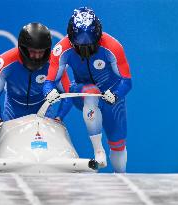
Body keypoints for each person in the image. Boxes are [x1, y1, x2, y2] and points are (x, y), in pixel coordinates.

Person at [43, 7, 132, 173]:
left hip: (111, 97)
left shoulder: (113, 47)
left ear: (99, 38)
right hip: (82, 91)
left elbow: (126, 81)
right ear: (71, 40)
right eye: (79, 47)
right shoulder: (61, 50)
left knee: (118, 143)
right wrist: (50, 92)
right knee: (91, 93)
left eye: (91, 47)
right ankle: (98, 150)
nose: (85, 51)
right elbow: (49, 82)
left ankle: (122, 177)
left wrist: (116, 94)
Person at [0, 23, 71, 135]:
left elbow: (68, 94)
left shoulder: (55, 64)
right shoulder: (3, 64)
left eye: (41, 52)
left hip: (43, 111)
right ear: (23, 48)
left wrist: (59, 118)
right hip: (13, 112)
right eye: (32, 51)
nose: (37, 56)